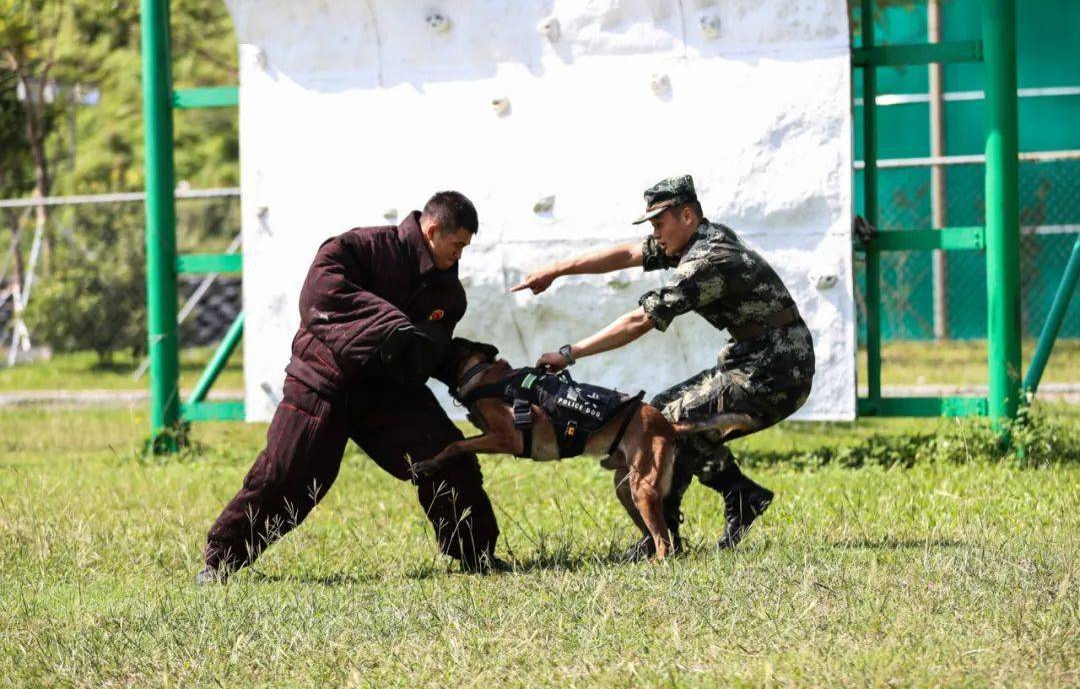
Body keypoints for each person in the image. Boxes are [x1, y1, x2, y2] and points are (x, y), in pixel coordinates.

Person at [198, 191, 505, 582]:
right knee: (286, 476)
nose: (460, 255)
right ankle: (220, 561)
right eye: (457, 244)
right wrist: (389, 329)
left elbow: (424, 352)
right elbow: (321, 295)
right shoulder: (359, 248)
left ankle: (476, 556)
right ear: (432, 230)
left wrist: (471, 366)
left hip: (386, 392)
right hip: (323, 380)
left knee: (448, 456)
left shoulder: (447, 294)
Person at [514, 175, 814, 558]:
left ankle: (666, 536)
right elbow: (625, 256)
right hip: (756, 360)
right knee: (660, 413)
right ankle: (736, 498)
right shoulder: (696, 237)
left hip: (776, 371)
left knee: (665, 422)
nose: (655, 235)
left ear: (687, 215)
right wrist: (555, 270)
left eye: (658, 224)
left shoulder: (707, 260)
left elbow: (640, 321)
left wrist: (570, 353)